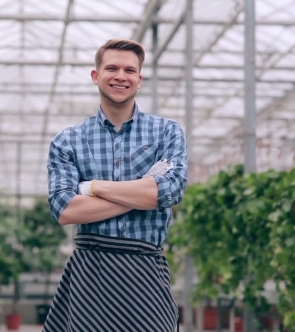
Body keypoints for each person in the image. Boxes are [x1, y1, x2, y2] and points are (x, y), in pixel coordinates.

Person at [44, 38, 188, 332]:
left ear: (139, 79)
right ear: (96, 76)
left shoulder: (167, 132)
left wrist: (92, 187)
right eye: (112, 68)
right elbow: (65, 209)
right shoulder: (67, 141)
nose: (120, 76)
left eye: (129, 70)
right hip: (90, 271)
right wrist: (143, 190)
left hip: (145, 268)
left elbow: (169, 190)